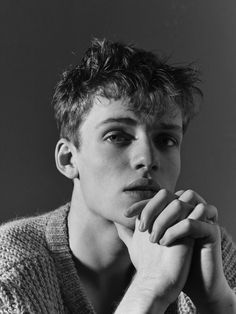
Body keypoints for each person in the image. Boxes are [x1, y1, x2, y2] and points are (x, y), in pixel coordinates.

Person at [0, 38, 236, 314]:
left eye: (166, 140)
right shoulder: (11, 266)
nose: (147, 159)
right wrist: (147, 291)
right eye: (117, 136)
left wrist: (216, 304)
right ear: (68, 159)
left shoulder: (208, 250)